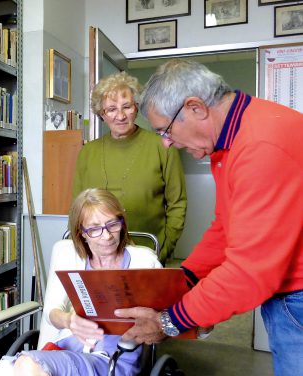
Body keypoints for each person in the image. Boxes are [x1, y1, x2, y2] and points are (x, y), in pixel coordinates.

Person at [115, 59, 303, 376]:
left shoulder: (259, 146)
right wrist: (185, 279)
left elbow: (249, 272)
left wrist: (170, 320)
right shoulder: (232, 139)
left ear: (195, 108)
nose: (166, 142)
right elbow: (225, 228)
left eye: (165, 130)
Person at [0, 189, 162, 376]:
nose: (107, 236)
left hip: (111, 358)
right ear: (82, 233)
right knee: (4, 370)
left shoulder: (144, 262)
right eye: (95, 229)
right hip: (65, 350)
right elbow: (51, 312)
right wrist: (68, 320)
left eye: (113, 224)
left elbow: (164, 318)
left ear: (122, 222)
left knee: (26, 365)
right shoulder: (71, 259)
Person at [73, 71, 186, 263]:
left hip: (148, 250)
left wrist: (164, 248)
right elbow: (77, 208)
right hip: (98, 257)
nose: (120, 116)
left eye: (127, 106)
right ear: (102, 114)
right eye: (111, 109)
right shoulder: (88, 152)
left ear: (136, 107)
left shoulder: (163, 147)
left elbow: (177, 204)